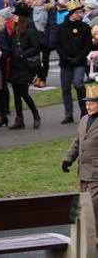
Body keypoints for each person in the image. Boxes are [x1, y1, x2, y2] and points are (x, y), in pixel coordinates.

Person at [62, 83, 98, 239]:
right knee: (83, 202)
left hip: (96, 172)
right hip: (84, 171)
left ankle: (94, 234)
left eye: (91, 104)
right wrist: (68, 159)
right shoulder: (84, 120)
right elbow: (78, 142)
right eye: (87, 104)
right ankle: (84, 232)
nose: (88, 107)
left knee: (93, 204)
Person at [56, 0, 92, 124]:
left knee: (78, 84)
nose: (79, 15)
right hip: (66, 62)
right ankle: (68, 114)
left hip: (79, 61)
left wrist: (79, 57)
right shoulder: (61, 28)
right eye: (77, 13)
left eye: (80, 13)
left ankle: (84, 111)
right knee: (66, 87)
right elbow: (58, 44)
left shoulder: (85, 27)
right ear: (71, 13)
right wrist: (66, 57)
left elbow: (88, 45)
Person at [8, 5, 42, 130]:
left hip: (25, 66)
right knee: (16, 94)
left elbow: (36, 47)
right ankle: (19, 118)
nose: (14, 17)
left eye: (16, 16)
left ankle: (35, 113)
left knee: (24, 93)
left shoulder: (30, 31)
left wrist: (23, 54)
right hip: (15, 66)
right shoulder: (15, 32)